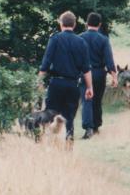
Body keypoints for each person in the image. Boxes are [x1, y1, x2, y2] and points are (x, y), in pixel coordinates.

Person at [38, 11, 93, 142]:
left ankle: (51, 143)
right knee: (69, 118)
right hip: (73, 85)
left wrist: (39, 81)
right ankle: (68, 143)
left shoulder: (55, 39)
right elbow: (86, 69)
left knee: (50, 115)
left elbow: (45, 63)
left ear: (61, 24)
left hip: (56, 83)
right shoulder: (81, 42)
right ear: (74, 25)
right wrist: (90, 87)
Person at [79, 12, 117, 139]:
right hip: (99, 73)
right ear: (99, 24)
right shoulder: (103, 39)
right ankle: (96, 126)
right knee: (97, 101)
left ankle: (88, 127)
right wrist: (114, 76)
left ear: (86, 24)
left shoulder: (80, 38)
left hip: (84, 74)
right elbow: (109, 60)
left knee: (87, 100)